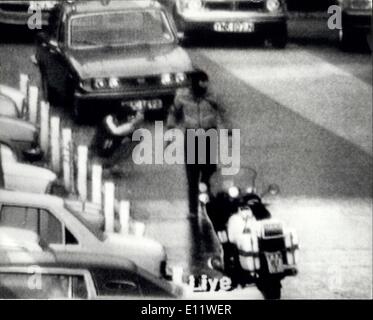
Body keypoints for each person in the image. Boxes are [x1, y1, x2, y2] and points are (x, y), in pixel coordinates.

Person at [167, 71, 232, 217]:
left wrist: (229, 130)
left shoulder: (212, 96)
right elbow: (173, 113)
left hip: (209, 134)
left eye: (206, 83)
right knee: (192, 174)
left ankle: (209, 206)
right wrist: (170, 131)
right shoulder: (182, 97)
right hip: (191, 136)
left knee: (209, 173)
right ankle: (193, 210)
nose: (204, 87)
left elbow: (224, 112)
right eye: (201, 83)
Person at [91, 104, 144, 173]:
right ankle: (105, 167)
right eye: (130, 117)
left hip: (111, 154)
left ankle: (116, 164)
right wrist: (132, 124)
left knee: (137, 138)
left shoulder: (127, 126)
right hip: (97, 154)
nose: (131, 119)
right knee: (91, 170)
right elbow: (115, 131)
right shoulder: (108, 120)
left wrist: (137, 126)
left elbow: (138, 136)